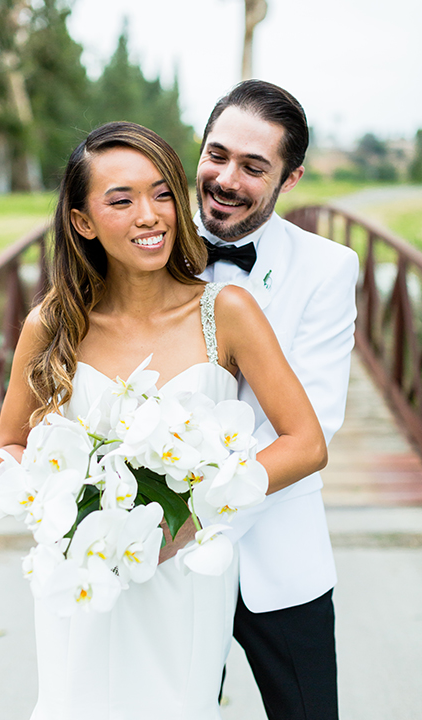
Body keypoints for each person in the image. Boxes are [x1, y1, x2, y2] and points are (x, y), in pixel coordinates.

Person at [0, 121, 327, 720]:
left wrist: (193, 512)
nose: (150, 215)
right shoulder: (51, 324)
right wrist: (58, 505)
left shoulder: (226, 311)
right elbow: (9, 447)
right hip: (86, 578)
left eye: (163, 193)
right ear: (82, 221)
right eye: (121, 201)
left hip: (183, 578)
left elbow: (306, 443)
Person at [195, 79, 359, 720]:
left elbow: (313, 425)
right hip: (160, 558)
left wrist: (197, 512)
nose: (227, 178)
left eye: (254, 166)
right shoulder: (145, 248)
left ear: (289, 179)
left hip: (278, 549)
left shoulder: (328, 268)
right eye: (217, 155)